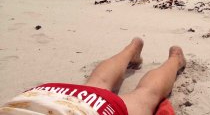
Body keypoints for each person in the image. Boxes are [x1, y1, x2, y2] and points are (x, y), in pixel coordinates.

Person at [0, 38, 186, 115]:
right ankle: (131, 49)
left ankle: (175, 59)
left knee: (146, 95)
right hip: (34, 98)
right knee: (97, 84)